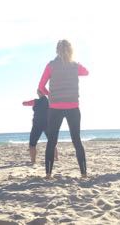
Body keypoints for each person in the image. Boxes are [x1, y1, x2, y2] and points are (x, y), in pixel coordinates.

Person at [38, 39, 89, 178]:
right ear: (71, 50)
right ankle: (83, 173)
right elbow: (86, 72)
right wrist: (74, 63)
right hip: (73, 107)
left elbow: (41, 87)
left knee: (52, 141)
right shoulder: (75, 66)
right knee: (76, 140)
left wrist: (51, 95)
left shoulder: (51, 66)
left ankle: (48, 174)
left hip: (55, 108)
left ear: (56, 50)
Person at [22, 90, 57, 165]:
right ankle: (56, 158)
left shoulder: (36, 101)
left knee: (32, 144)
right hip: (48, 124)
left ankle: (33, 160)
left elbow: (25, 103)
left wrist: (24, 102)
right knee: (52, 142)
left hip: (37, 124)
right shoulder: (50, 101)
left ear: (38, 93)